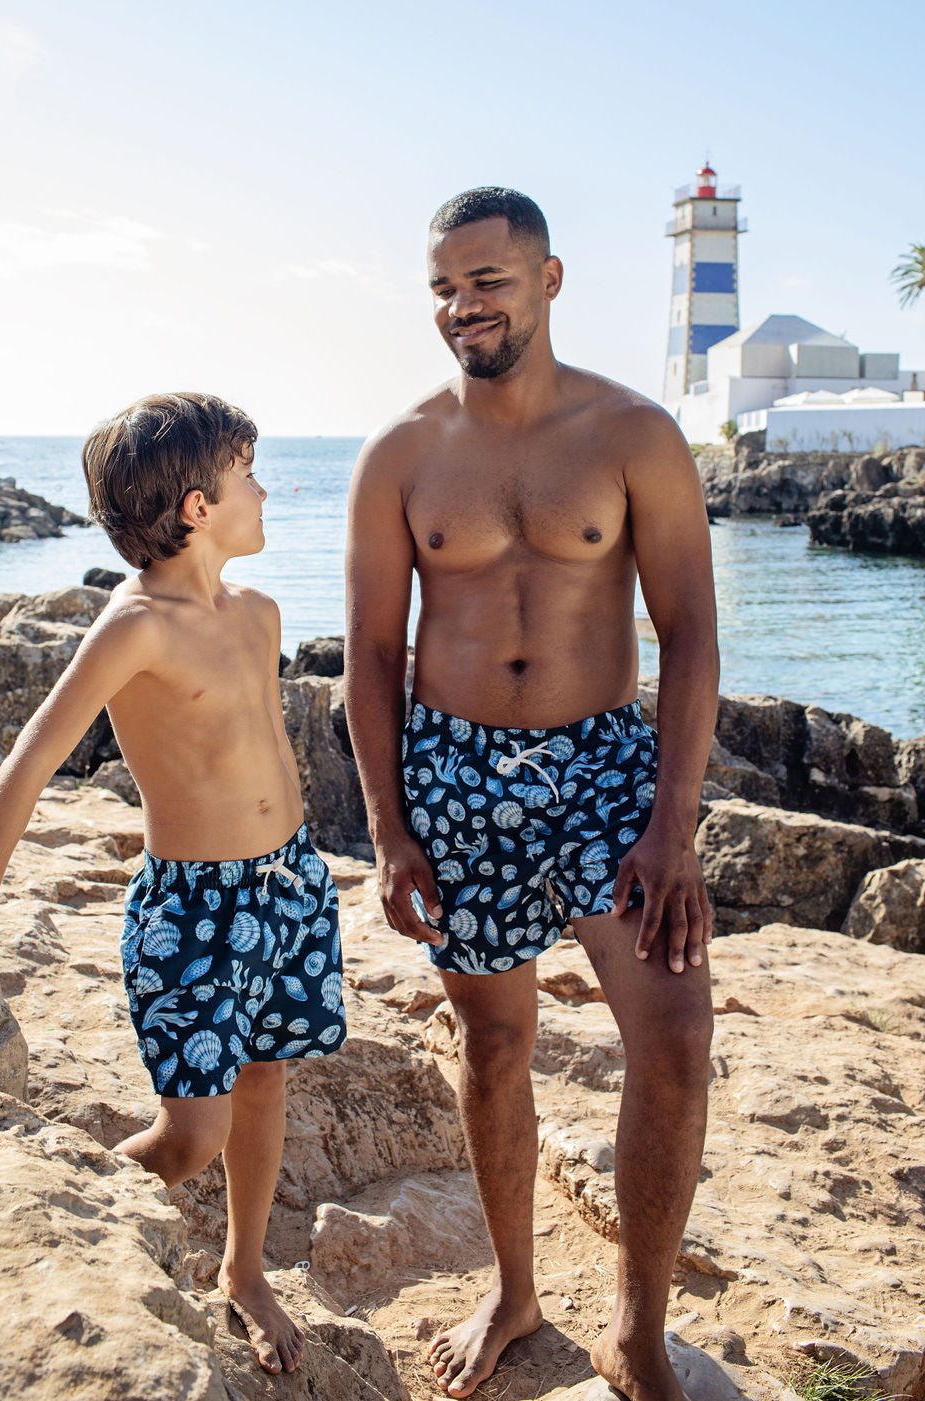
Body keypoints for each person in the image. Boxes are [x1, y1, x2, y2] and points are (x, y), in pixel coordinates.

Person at [344, 188, 718, 1401]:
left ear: (548, 281)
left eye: (489, 282)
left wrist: (675, 821)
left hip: (607, 766)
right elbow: (366, 658)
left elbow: (692, 634)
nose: (464, 308)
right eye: (446, 288)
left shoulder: (634, 433)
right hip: (454, 778)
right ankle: (515, 1289)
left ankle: (638, 1327)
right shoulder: (399, 453)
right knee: (495, 1044)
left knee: (672, 1039)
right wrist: (389, 827)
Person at [0, 391, 347, 1377]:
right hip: (193, 911)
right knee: (192, 1137)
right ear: (197, 506)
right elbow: (28, 761)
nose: (266, 491)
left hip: (286, 892)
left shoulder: (260, 614)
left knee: (265, 1080)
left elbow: (263, 757)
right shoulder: (135, 625)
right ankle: (77, 1204)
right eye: (249, 476)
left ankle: (243, 1270)